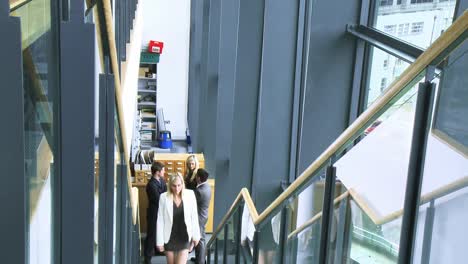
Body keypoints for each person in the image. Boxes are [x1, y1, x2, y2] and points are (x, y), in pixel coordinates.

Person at [156, 173, 200, 264]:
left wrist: (196, 236)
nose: (177, 189)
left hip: (184, 237)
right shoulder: (163, 197)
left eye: (179, 185)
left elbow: (194, 216)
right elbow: (160, 220)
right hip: (169, 237)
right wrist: (159, 241)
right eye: (174, 186)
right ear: (170, 185)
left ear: (182, 184)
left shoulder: (190, 195)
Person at [144, 161, 167, 264]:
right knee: (151, 234)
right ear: (157, 172)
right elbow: (159, 199)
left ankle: (158, 250)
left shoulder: (162, 180)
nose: (164, 172)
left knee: (159, 232)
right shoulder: (151, 185)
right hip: (154, 213)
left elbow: (166, 192)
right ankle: (147, 258)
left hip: (161, 212)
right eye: (163, 170)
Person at [192, 168, 212, 263]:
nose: (195, 177)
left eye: (196, 176)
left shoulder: (199, 191)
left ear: (199, 178)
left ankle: (200, 261)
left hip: (199, 217)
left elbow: (191, 202)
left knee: (199, 240)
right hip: (204, 215)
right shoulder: (207, 186)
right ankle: (200, 258)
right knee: (201, 238)